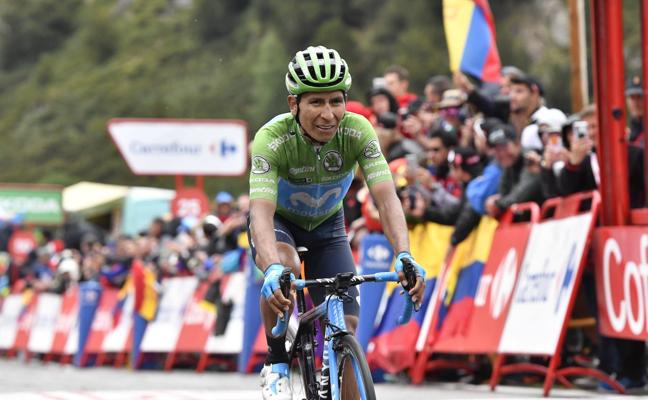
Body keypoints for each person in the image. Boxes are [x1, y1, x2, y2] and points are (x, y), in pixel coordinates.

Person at [248, 46, 426, 400]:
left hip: (328, 227)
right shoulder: (271, 139)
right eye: (316, 103)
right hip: (281, 224)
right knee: (283, 268)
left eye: (336, 101)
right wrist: (269, 267)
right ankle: (278, 359)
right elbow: (261, 213)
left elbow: (386, 197)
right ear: (293, 104)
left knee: (348, 326)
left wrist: (404, 254)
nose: (328, 114)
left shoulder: (358, 131)